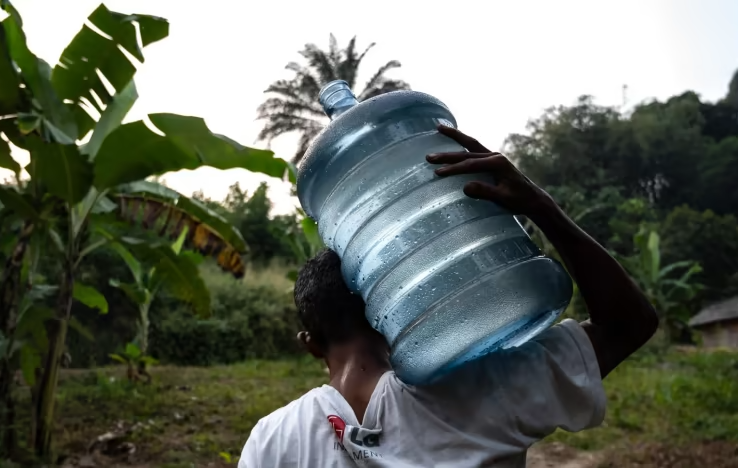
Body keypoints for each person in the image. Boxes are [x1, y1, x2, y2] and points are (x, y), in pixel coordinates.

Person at [238, 125, 658, 468]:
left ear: (309, 344)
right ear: (390, 302)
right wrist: (540, 206)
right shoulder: (486, 388)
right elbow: (629, 324)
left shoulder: (272, 440)